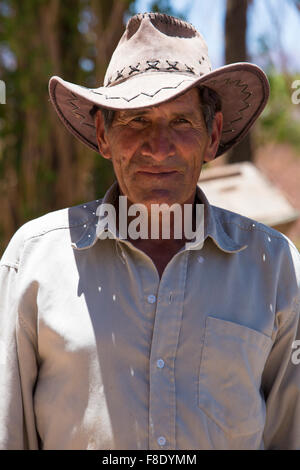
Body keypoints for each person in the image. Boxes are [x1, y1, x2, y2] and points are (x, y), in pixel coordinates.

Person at [0, 12, 300, 451]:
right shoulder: (33, 261)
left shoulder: (277, 270)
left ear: (212, 135)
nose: (158, 148)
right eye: (136, 120)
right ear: (103, 135)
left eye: (181, 122)